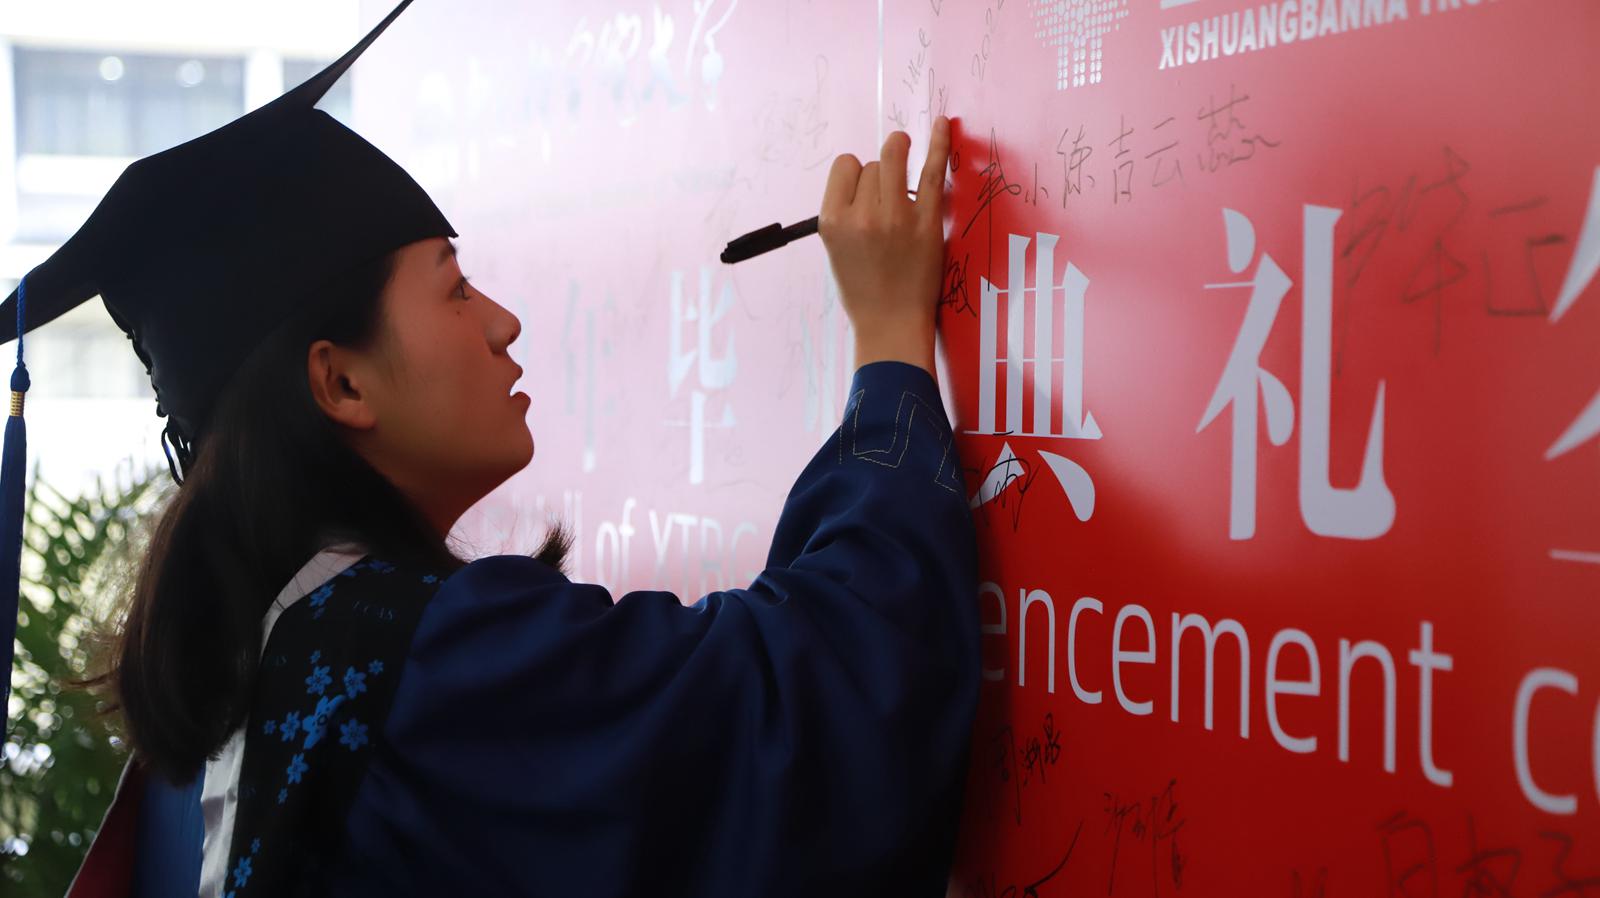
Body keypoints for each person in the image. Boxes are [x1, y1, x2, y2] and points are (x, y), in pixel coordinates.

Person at [1, 2, 978, 895]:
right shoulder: (417, 663)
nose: (503, 323)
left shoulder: (241, 670)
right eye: (455, 288)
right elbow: (810, 711)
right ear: (341, 384)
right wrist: (890, 338)